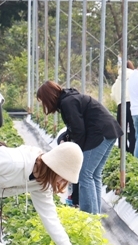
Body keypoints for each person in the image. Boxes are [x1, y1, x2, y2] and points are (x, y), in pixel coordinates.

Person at [37, 80, 123, 215]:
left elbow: (78, 131)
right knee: (94, 175)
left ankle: (89, 217)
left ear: (48, 97)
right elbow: (75, 128)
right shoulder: (69, 99)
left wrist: (75, 151)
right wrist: (66, 138)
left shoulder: (67, 103)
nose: (44, 105)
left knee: (84, 174)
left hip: (99, 133)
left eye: (43, 101)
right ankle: (95, 217)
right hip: (109, 131)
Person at [110, 61, 136, 155]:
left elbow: (113, 94)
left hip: (121, 105)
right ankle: (133, 151)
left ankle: (123, 151)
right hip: (133, 104)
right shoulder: (135, 76)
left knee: (121, 130)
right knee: (133, 129)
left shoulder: (118, 80)